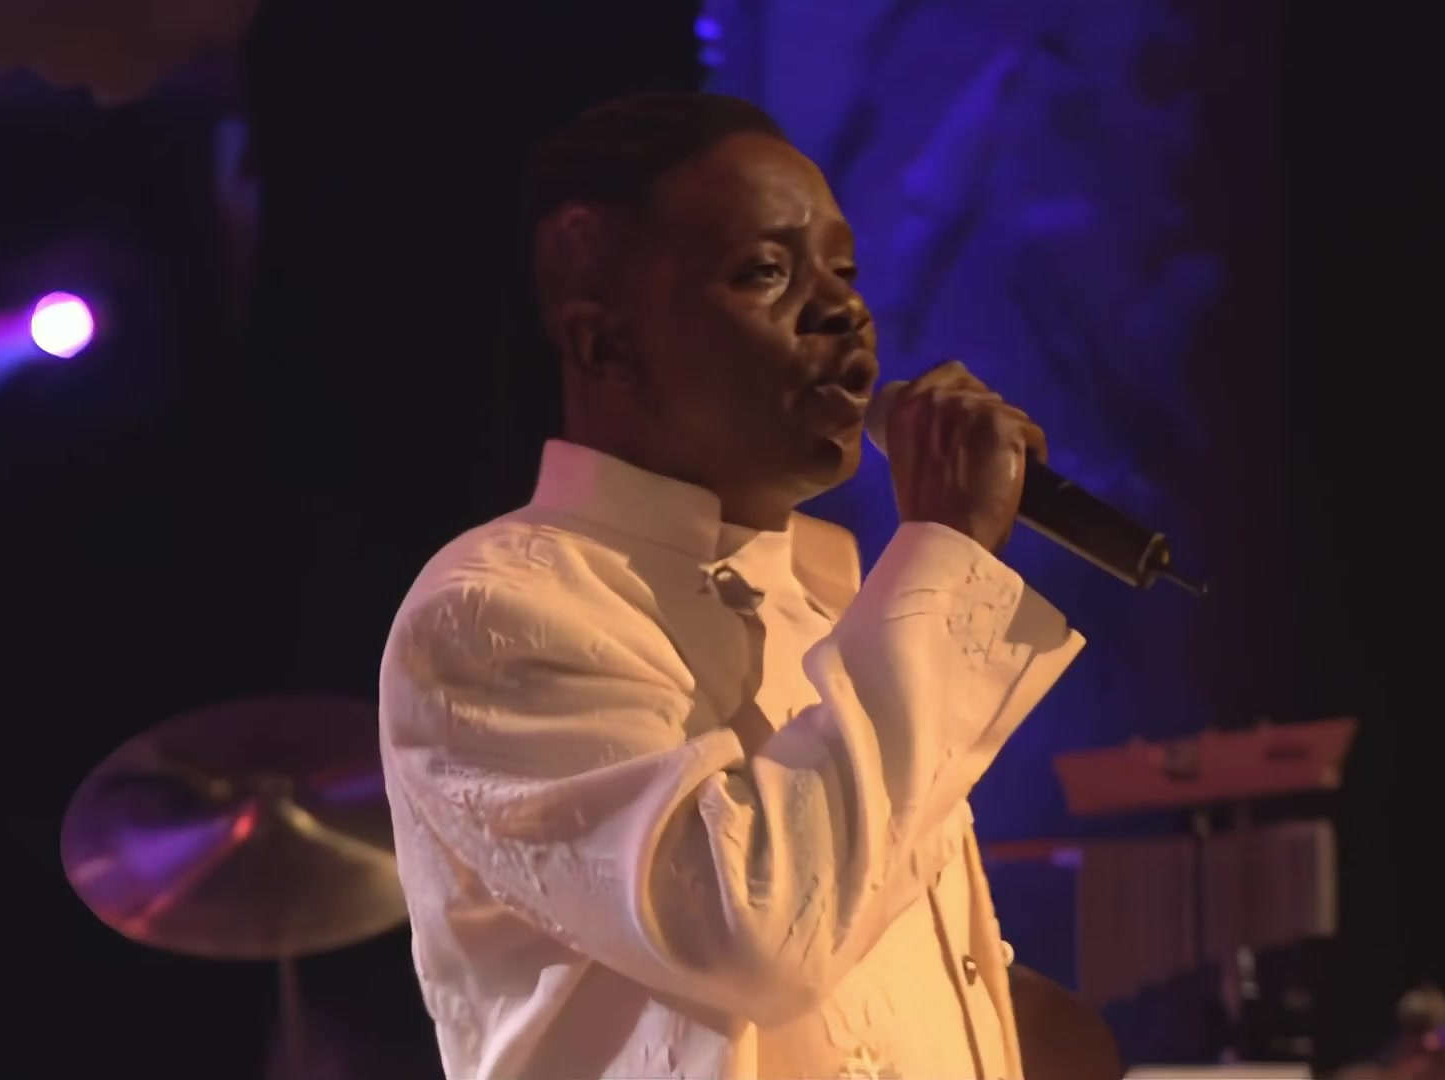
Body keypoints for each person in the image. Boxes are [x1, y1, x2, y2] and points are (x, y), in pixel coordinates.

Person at [377, 92, 1084, 1079]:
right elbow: (759, 929)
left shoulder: (834, 596)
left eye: (843, 270)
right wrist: (947, 552)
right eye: (765, 272)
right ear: (602, 344)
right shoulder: (496, 612)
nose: (841, 309)